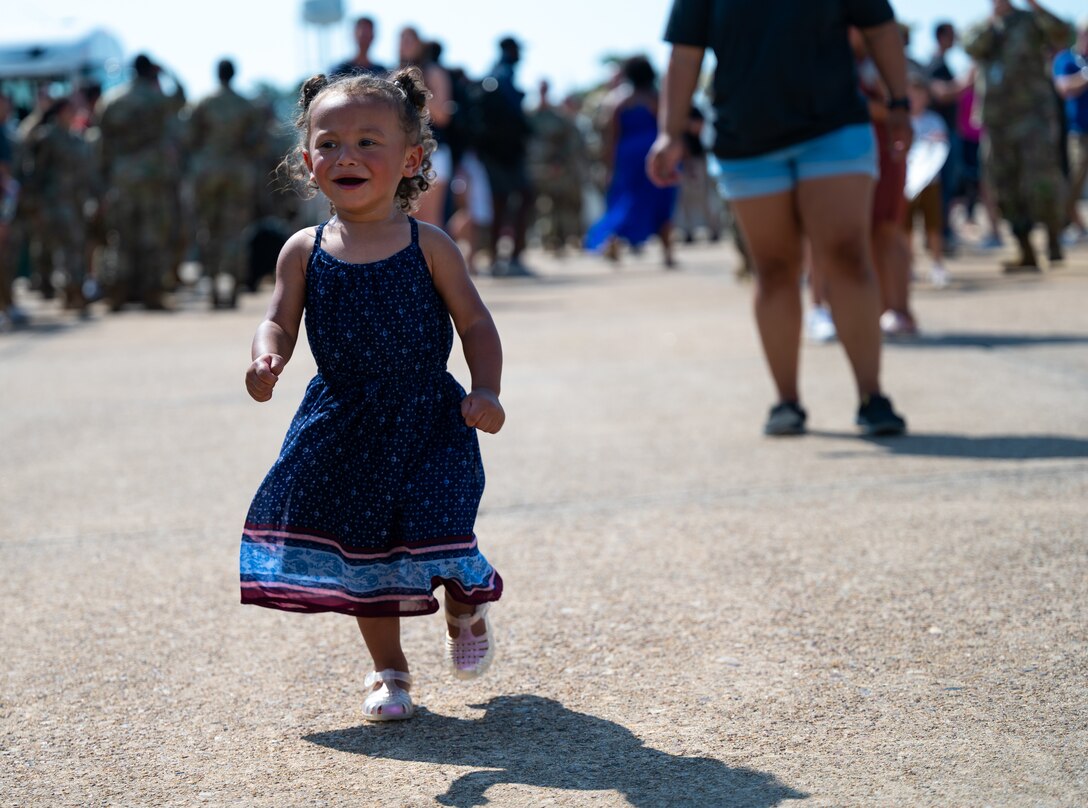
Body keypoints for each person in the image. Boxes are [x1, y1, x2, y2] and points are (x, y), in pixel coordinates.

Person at [240, 67, 505, 722]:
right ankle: (389, 671)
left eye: (367, 141)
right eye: (329, 144)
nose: (346, 156)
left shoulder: (431, 245)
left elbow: (475, 322)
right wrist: (266, 354)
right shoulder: (302, 251)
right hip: (343, 422)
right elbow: (278, 317)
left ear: (411, 159)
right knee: (365, 555)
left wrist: (487, 389)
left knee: (442, 527)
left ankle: (465, 603)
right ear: (308, 161)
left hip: (429, 416)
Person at [649, 0, 909, 437]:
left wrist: (899, 102)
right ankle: (786, 400)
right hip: (746, 138)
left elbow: (881, 27)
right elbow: (685, 52)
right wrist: (670, 133)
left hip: (833, 126)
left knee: (846, 255)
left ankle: (872, 396)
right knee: (772, 269)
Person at [963, 0, 1072, 272]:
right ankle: (1025, 250)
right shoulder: (982, 28)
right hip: (996, 121)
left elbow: (1064, 35)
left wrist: (1036, 5)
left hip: (1032, 117)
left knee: (1041, 179)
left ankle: (1053, 239)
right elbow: (972, 47)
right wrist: (993, 22)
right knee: (1003, 185)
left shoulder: (1031, 21)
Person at [95, 53, 186, 310]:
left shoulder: (111, 100)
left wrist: (103, 179)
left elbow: (102, 142)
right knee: (152, 235)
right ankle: (152, 292)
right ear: (151, 72)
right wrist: (167, 71)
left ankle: (118, 292)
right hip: (153, 175)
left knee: (121, 235)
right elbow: (181, 98)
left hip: (121, 176)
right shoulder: (156, 99)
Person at [586, 55, 678, 267]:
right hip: (654, 154)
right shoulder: (657, 99)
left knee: (626, 201)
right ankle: (668, 253)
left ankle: (612, 241)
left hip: (627, 157)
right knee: (661, 202)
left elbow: (612, 137)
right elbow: (668, 130)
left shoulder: (619, 102)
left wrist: (609, 166)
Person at [186, 59, 263, 308]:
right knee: (236, 231)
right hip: (238, 172)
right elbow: (259, 139)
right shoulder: (246, 105)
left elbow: (188, 135)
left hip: (208, 171)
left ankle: (211, 286)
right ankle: (233, 288)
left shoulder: (203, 102)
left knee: (209, 229)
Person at [476, 36, 535, 276]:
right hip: (504, 153)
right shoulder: (502, 75)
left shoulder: (497, 74)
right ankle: (510, 257)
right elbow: (510, 117)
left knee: (502, 203)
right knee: (513, 200)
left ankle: (499, 257)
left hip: (499, 152)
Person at [399, 30, 454, 229]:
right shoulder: (391, 74)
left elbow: (443, 117)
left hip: (434, 152)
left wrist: (418, 90)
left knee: (431, 222)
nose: (406, 44)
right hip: (401, 153)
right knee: (404, 221)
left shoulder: (434, 73)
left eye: (411, 40)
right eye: (402, 39)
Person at [927, 22, 968, 254]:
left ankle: (942, 235)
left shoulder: (943, 64)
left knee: (949, 186)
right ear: (941, 36)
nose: (955, 39)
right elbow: (942, 93)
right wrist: (967, 81)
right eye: (952, 34)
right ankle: (940, 237)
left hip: (949, 133)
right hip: (941, 136)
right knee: (943, 187)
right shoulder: (935, 65)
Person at [1052, 17, 1088, 243]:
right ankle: (1073, 224)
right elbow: (1064, 87)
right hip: (1078, 132)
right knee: (1073, 182)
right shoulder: (1066, 59)